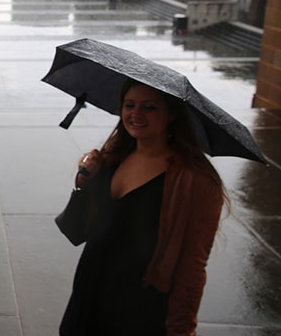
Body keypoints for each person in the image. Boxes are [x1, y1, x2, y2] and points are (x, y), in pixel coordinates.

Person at [60, 78, 225, 336]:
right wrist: (84, 182)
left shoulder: (195, 181)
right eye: (129, 105)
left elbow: (192, 267)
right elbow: (80, 230)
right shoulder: (113, 156)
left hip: (139, 306)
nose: (136, 114)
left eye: (149, 107)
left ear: (171, 114)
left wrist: (182, 329)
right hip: (90, 291)